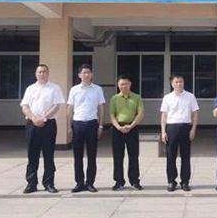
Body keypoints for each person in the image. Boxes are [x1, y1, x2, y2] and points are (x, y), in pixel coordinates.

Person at [20, 64, 65, 194]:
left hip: (49, 124)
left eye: (44, 72)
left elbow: (56, 106)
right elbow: (24, 106)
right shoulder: (30, 89)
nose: (42, 74)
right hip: (32, 124)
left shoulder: (54, 88)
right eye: (39, 72)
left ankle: (49, 183)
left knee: (48, 155)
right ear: (36, 74)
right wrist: (34, 118)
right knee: (32, 155)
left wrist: (43, 118)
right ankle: (31, 183)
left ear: (48, 73)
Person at [67, 64, 106, 193]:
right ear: (79, 75)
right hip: (77, 124)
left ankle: (90, 183)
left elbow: (101, 108)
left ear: (92, 74)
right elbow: (70, 109)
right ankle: (79, 182)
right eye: (84, 73)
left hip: (92, 124)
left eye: (88, 72)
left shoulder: (97, 89)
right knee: (77, 156)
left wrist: (100, 125)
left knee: (92, 155)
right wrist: (69, 127)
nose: (86, 75)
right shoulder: (74, 90)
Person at [160, 75, 199, 192]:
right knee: (171, 157)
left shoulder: (190, 96)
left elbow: (195, 113)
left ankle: (185, 181)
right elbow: (164, 116)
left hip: (186, 127)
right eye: (176, 82)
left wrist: (193, 129)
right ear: (172, 84)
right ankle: (171, 181)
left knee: (185, 157)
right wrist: (163, 132)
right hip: (171, 128)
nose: (179, 84)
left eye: (181, 81)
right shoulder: (167, 98)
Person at [110, 75, 144, 191]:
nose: (124, 86)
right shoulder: (114, 99)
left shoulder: (137, 97)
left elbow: (140, 114)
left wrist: (131, 125)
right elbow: (111, 115)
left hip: (132, 128)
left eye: (126, 84)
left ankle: (135, 181)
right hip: (117, 129)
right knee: (118, 157)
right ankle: (119, 181)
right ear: (118, 85)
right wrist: (118, 127)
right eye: (121, 84)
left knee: (134, 156)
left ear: (130, 84)